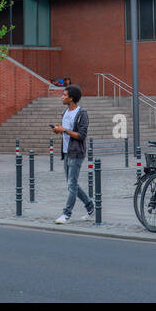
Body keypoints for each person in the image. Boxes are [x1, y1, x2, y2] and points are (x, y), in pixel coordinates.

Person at [53, 85, 93, 223]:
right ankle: (90, 206)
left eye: (64, 95)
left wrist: (64, 130)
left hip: (76, 153)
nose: (62, 97)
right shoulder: (65, 112)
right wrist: (59, 130)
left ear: (71, 98)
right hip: (66, 152)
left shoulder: (81, 114)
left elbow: (81, 135)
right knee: (72, 184)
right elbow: (66, 131)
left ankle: (66, 214)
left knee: (72, 183)